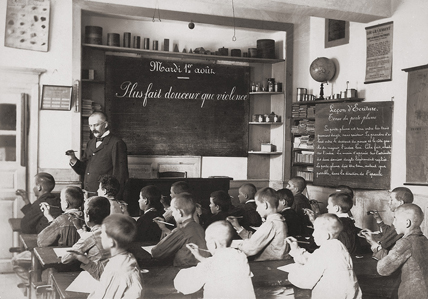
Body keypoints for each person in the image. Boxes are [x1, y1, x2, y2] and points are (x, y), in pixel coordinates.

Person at [286, 214, 362, 299]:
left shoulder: (323, 252)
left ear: (326, 235)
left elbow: (306, 280)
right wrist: (297, 250)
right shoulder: (339, 248)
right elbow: (315, 261)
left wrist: (293, 274)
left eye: (315, 230)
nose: (313, 234)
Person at [174, 221, 256, 299]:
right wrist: (200, 257)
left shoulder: (210, 265)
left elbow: (184, 285)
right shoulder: (240, 257)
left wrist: (181, 276)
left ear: (213, 244)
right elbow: (222, 264)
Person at [12, 172, 62, 293]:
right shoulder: (56, 200)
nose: (34, 188)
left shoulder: (40, 202)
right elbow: (37, 215)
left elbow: (25, 226)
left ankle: (29, 286)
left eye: (35, 185)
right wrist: (26, 200)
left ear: (39, 187)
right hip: (60, 248)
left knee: (15, 261)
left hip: (45, 250)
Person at [75, 214, 143, 299]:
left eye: (102, 233)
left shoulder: (117, 270)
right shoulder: (126, 258)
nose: (101, 236)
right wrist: (86, 261)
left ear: (111, 242)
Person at [67, 111, 128, 199]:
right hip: (88, 195)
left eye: (96, 125)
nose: (92, 129)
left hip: (106, 196)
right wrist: (73, 159)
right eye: (90, 126)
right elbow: (84, 170)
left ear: (105, 124)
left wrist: (115, 198)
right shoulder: (90, 143)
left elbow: (120, 174)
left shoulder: (116, 143)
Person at [376, 204, 428, 298]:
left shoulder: (405, 243)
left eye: (395, 219)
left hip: (413, 294)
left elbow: (383, 269)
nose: (393, 223)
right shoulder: (424, 239)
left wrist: (379, 250)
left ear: (407, 223)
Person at [227, 187, 289, 261]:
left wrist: (235, 247)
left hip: (268, 263)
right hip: (277, 261)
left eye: (257, 205)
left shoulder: (271, 224)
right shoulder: (279, 220)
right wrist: (238, 228)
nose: (256, 209)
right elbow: (257, 238)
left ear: (265, 205)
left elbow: (250, 249)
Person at [152, 192, 209, 267]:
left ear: (179, 212)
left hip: (183, 271)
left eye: (173, 211)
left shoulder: (183, 230)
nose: (172, 214)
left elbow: (156, 253)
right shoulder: (199, 228)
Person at [363, 187, 414, 256]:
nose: (388, 202)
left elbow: (383, 246)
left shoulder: (401, 223)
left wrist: (371, 241)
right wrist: (378, 219)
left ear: (400, 203)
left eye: (391, 199)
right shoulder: (405, 217)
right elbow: (389, 233)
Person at [61, 196, 111, 264]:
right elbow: (91, 239)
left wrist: (79, 255)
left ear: (88, 216)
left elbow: (65, 259)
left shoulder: (90, 237)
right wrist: (79, 228)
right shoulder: (113, 230)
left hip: (97, 273)